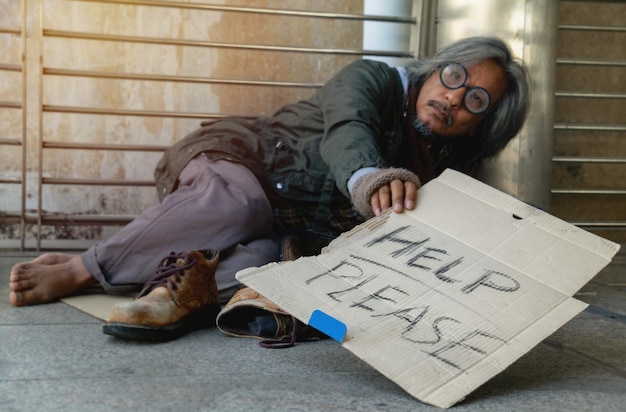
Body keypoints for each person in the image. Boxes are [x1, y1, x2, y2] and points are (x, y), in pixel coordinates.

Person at [9, 36, 529, 340]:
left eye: (476, 101)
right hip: (239, 163)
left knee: (265, 259)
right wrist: (370, 178)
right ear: (433, 71)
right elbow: (348, 128)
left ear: (482, 129)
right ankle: (81, 270)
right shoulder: (374, 78)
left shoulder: (448, 174)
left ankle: (173, 290)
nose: (454, 98)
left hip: (286, 226)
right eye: (453, 76)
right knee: (241, 205)